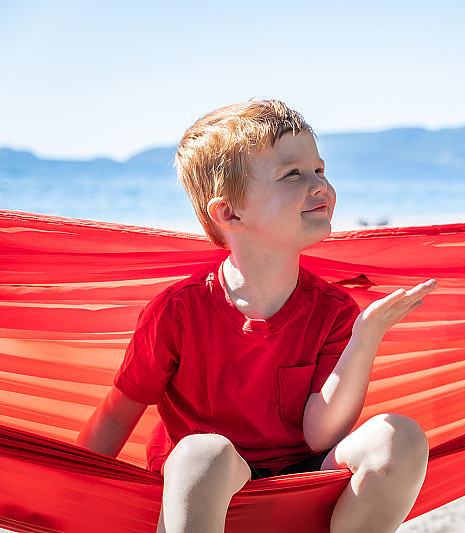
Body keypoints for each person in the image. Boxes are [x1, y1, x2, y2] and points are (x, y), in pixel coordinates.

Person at [76, 99, 436, 533]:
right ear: (230, 213)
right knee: (201, 454)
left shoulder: (335, 311)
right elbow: (117, 416)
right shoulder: (179, 311)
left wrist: (366, 337)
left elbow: (321, 435)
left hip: (300, 486)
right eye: (293, 174)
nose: (319, 184)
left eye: (319, 170)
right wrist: (76, 498)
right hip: (202, 495)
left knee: (399, 436)